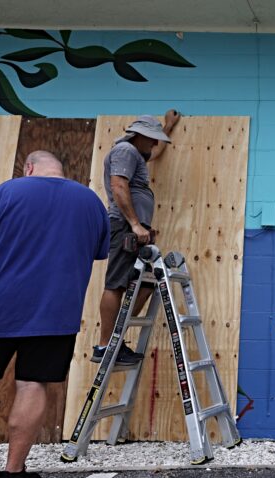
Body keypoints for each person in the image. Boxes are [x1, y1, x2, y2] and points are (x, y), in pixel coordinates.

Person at [0, 151, 110, 478]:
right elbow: (98, 251)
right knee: (32, 385)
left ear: (28, 167)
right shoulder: (90, 202)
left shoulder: (4, 193)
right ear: (61, 169)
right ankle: (14, 472)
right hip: (55, 313)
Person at [91, 110, 180, 365]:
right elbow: (119, 185)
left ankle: (116, 342)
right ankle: (105, 346)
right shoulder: (125, 151)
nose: (154, 142)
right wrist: (134, 224)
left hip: (136, 229)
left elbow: (157, 152)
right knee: (116, 283)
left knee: (149, 282)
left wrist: (168, 126)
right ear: (138, 135)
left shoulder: (136, 153)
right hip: (125, 227)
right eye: (151, 137)